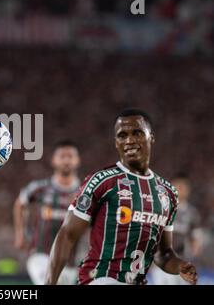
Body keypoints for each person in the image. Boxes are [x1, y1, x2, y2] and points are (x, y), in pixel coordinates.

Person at [46, 109, 198, 285]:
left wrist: (180, 266)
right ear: (116, 142)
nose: (129, 140)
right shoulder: (102, 181)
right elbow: (67, 234)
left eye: (137, 133)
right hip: (100, 279)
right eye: (122, 135)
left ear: (152, 138)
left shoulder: (168, 193)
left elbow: (163, 254)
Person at [13, 140, 86, 284]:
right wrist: (20, 234)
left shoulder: (85, 192)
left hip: (71, 262)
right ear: (54, 160)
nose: (66, 160)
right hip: (41, 255)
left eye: (70, 156)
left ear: (77, 160)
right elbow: (19, 204)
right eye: (62, 156)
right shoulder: (40, 188)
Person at [149, 174, 204, 284]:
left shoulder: (192, 213)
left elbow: (196, 239)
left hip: (182, 262)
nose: (180, 189)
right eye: (177, 186)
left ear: (188, 190)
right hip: (161, 262)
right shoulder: (160, 208)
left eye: (183, 187)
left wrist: (195, 248)